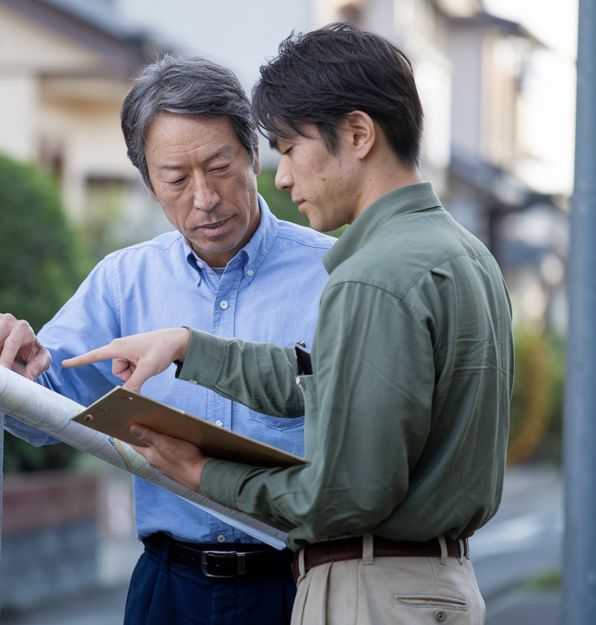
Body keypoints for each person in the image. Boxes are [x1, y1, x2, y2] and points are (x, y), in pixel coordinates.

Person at [63, 24, 514, 625]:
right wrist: (187, 346)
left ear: (357, 134)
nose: (283, 176)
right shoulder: (464, 252)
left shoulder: (364, 275)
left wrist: (200, 472)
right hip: (421, 580)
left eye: (290, 148)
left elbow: (344, 497)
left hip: (366, 587)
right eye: (175, 179)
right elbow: (321, 383)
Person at [0, 54, 334, 625]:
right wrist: (14, 367)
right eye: (176, 179)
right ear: (147, 182)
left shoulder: (335, 275)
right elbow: (46, 404)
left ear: (254, 155)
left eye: (219, 166)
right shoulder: (121, 281)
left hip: (298, 584)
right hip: (168, 587)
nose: (205, 198)